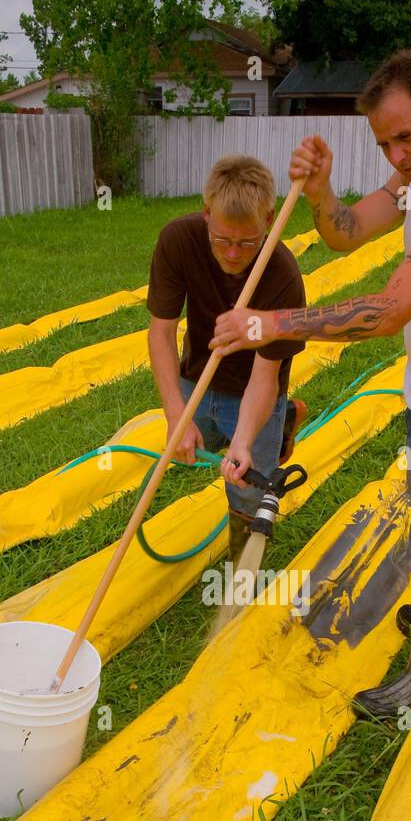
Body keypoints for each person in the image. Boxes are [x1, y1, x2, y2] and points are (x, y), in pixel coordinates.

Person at [210, 48, 411, 717]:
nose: (396, 156)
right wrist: (321, 192)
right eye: (383, 143)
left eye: (405, 136)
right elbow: (346, 232)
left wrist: (267, 323)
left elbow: (385, 311)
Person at [147, 154, 307, 565]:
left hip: (254, 390)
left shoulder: (282, 276)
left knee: (247, 487)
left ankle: (241, 573)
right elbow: (161, 333)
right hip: (197, 377)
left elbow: (263, 375)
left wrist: (244, 440)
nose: (234, 253)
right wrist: (175, 416)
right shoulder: (177, 241)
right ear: (206, 214)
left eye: (247, 242)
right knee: (177, 449)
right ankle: (273, 423)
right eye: (222, 239)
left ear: (269, 221)